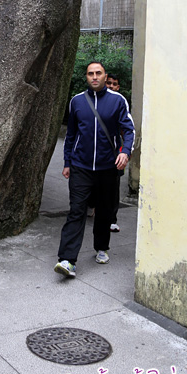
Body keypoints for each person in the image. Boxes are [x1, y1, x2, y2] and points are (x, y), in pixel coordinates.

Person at [54, 61, 134, 277]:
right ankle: (67, 260)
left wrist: (125, 151)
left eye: (98, 73)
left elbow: (129, 129)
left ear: (104, 75)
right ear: (86, 77)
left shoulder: (118, 101)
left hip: (108, 167)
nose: (95, 77)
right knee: (76, 211)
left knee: (104, 212)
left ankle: (102, 248)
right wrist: (67, 162)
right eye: (91, 74)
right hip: (81, 167)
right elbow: (70, 135)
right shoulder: (77, 101)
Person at [106, 73, 123, 233]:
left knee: (114, 186)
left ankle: (112, 219)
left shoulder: (121, 104)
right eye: (109, 83)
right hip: (96, 153)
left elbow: (126, 130)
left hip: (116, 152)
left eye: (114, 84)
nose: (111, 86)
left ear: (118, 87)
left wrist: (125, 151)